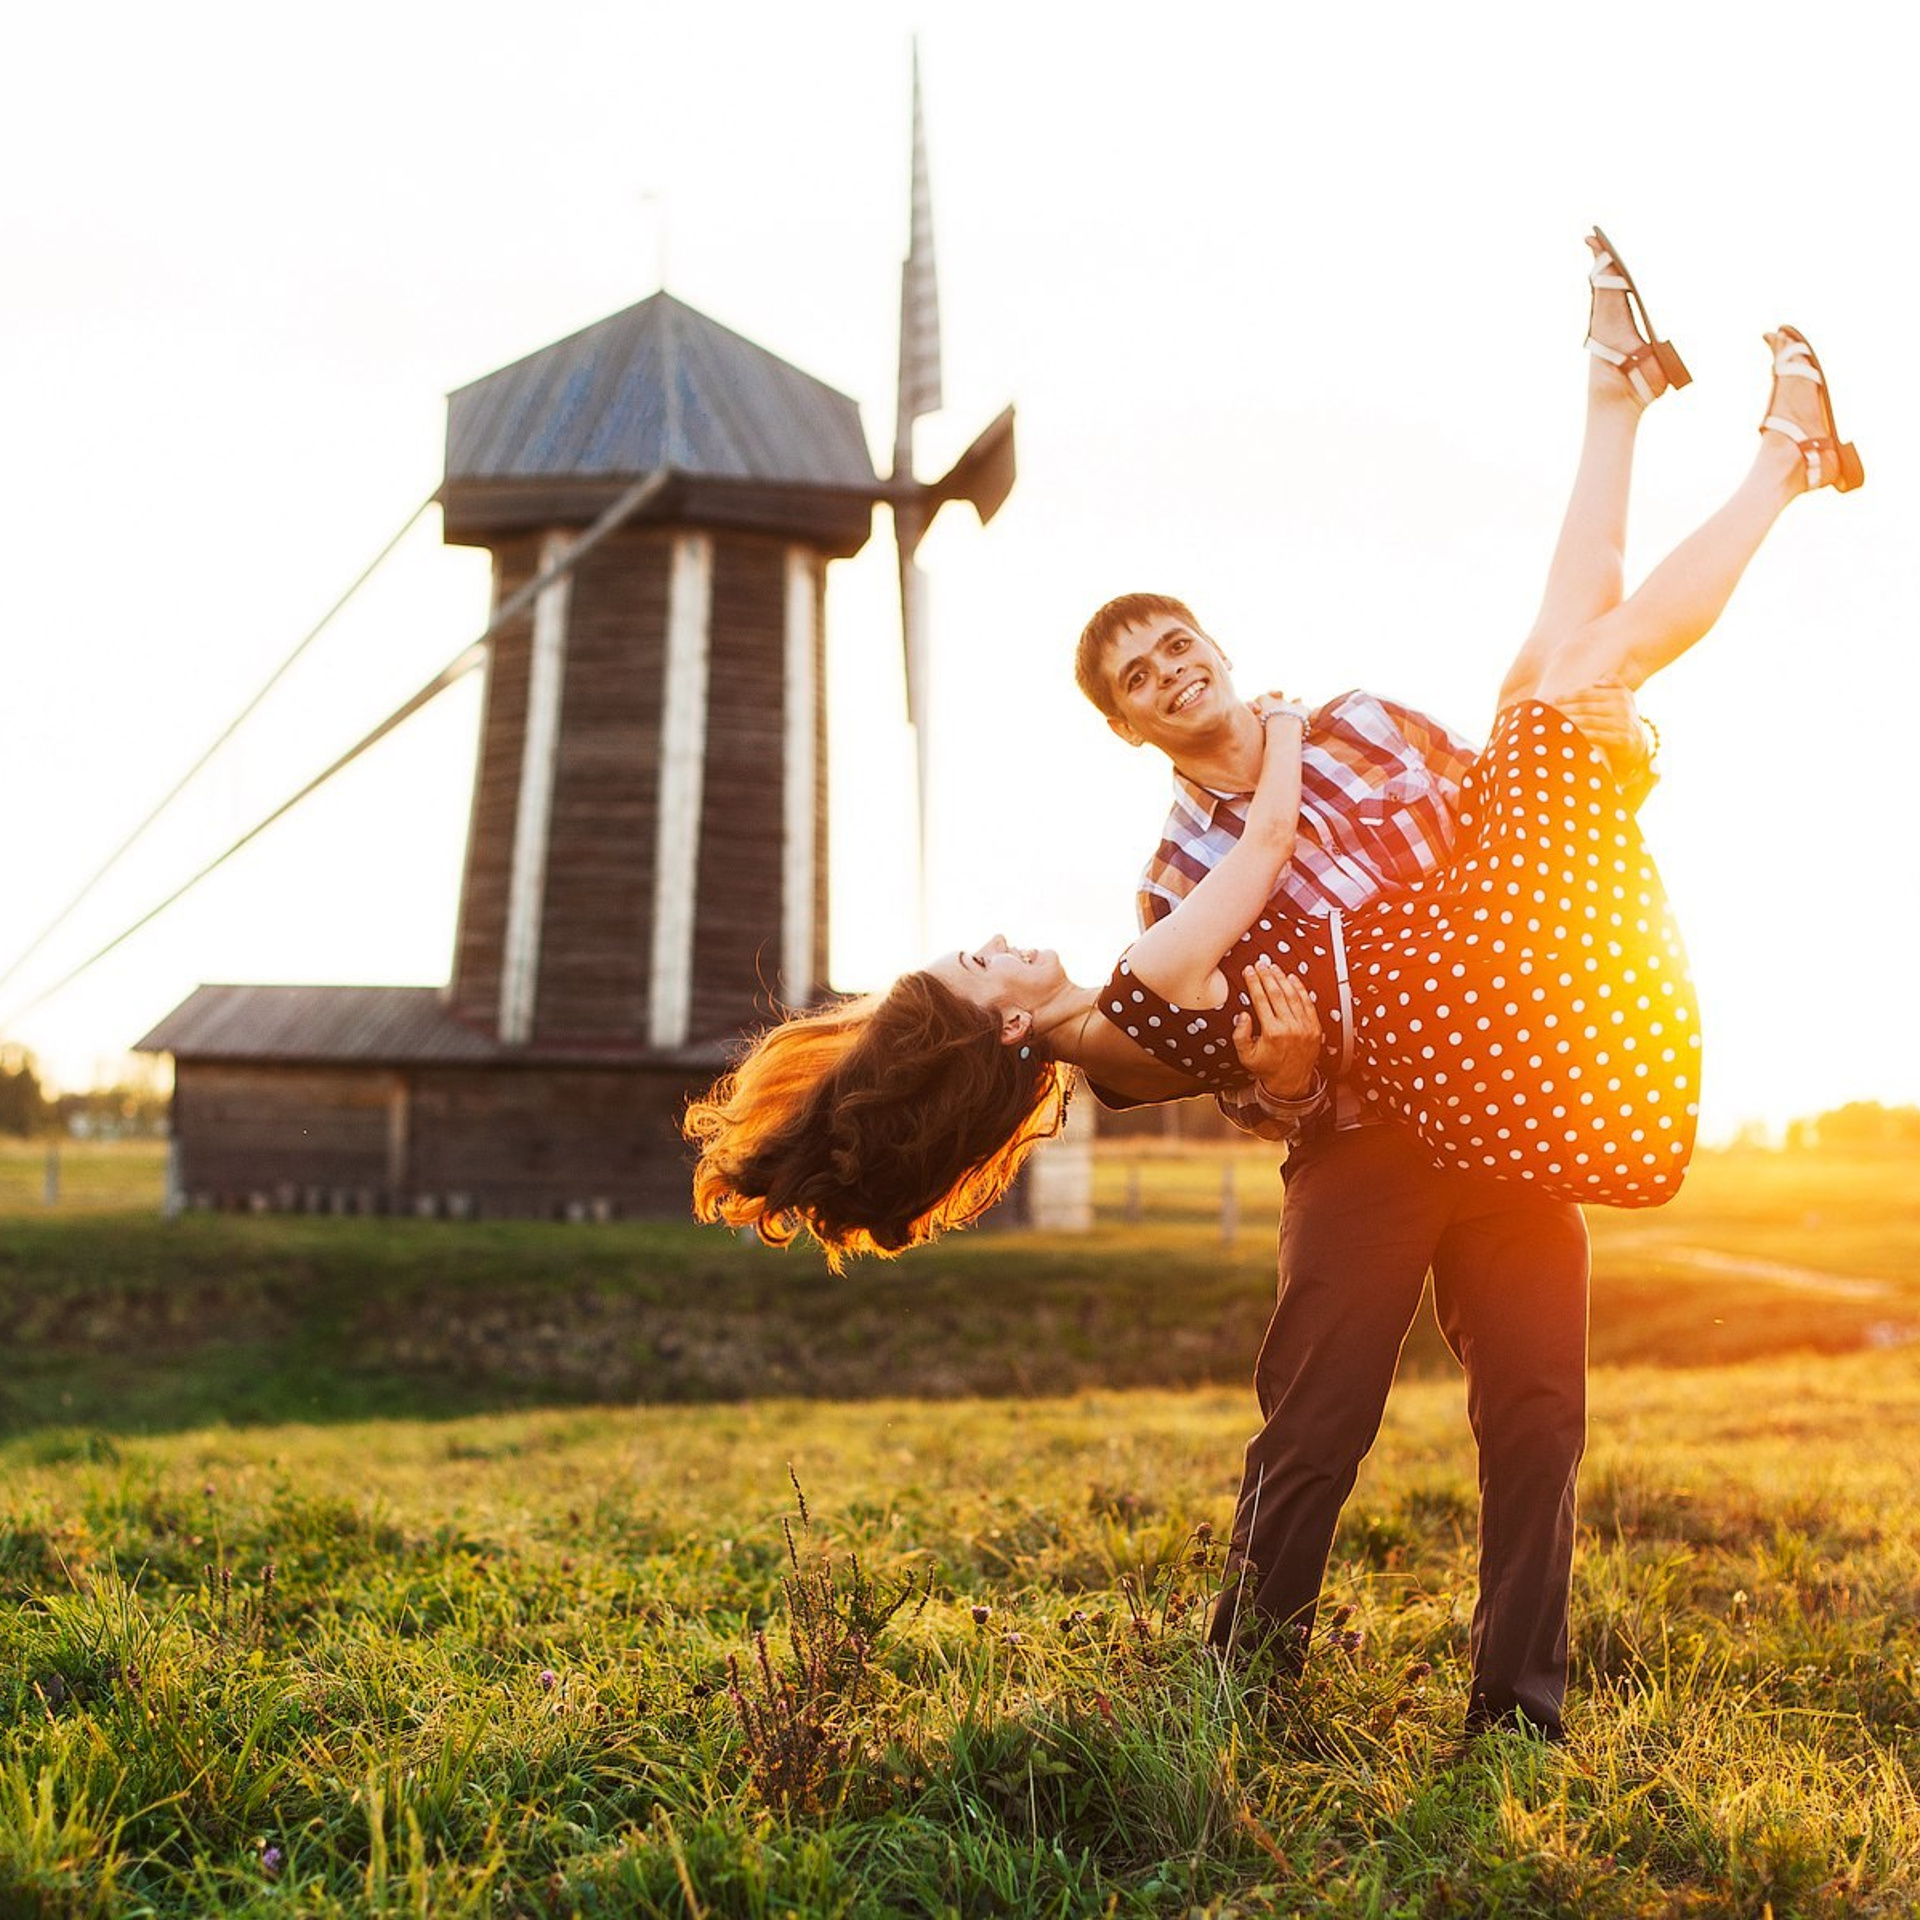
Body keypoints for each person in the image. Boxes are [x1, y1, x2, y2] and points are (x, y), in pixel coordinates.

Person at [685, 230, 1862, 1732]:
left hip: (1498, 1042)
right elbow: (1233, 1054)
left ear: (1214, 645)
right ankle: (1246, 1691)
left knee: (1541, 1418)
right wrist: (1288, 1079)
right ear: (1128, 730)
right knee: (1312, 1429)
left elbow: (1523, 814)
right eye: (1138, 677)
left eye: (1179, 643)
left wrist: (1621, 761)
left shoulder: (1367, 721)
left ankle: (1522, 1710)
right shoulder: (1168, 897)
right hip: (1370, 1137)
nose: (1171, 670)